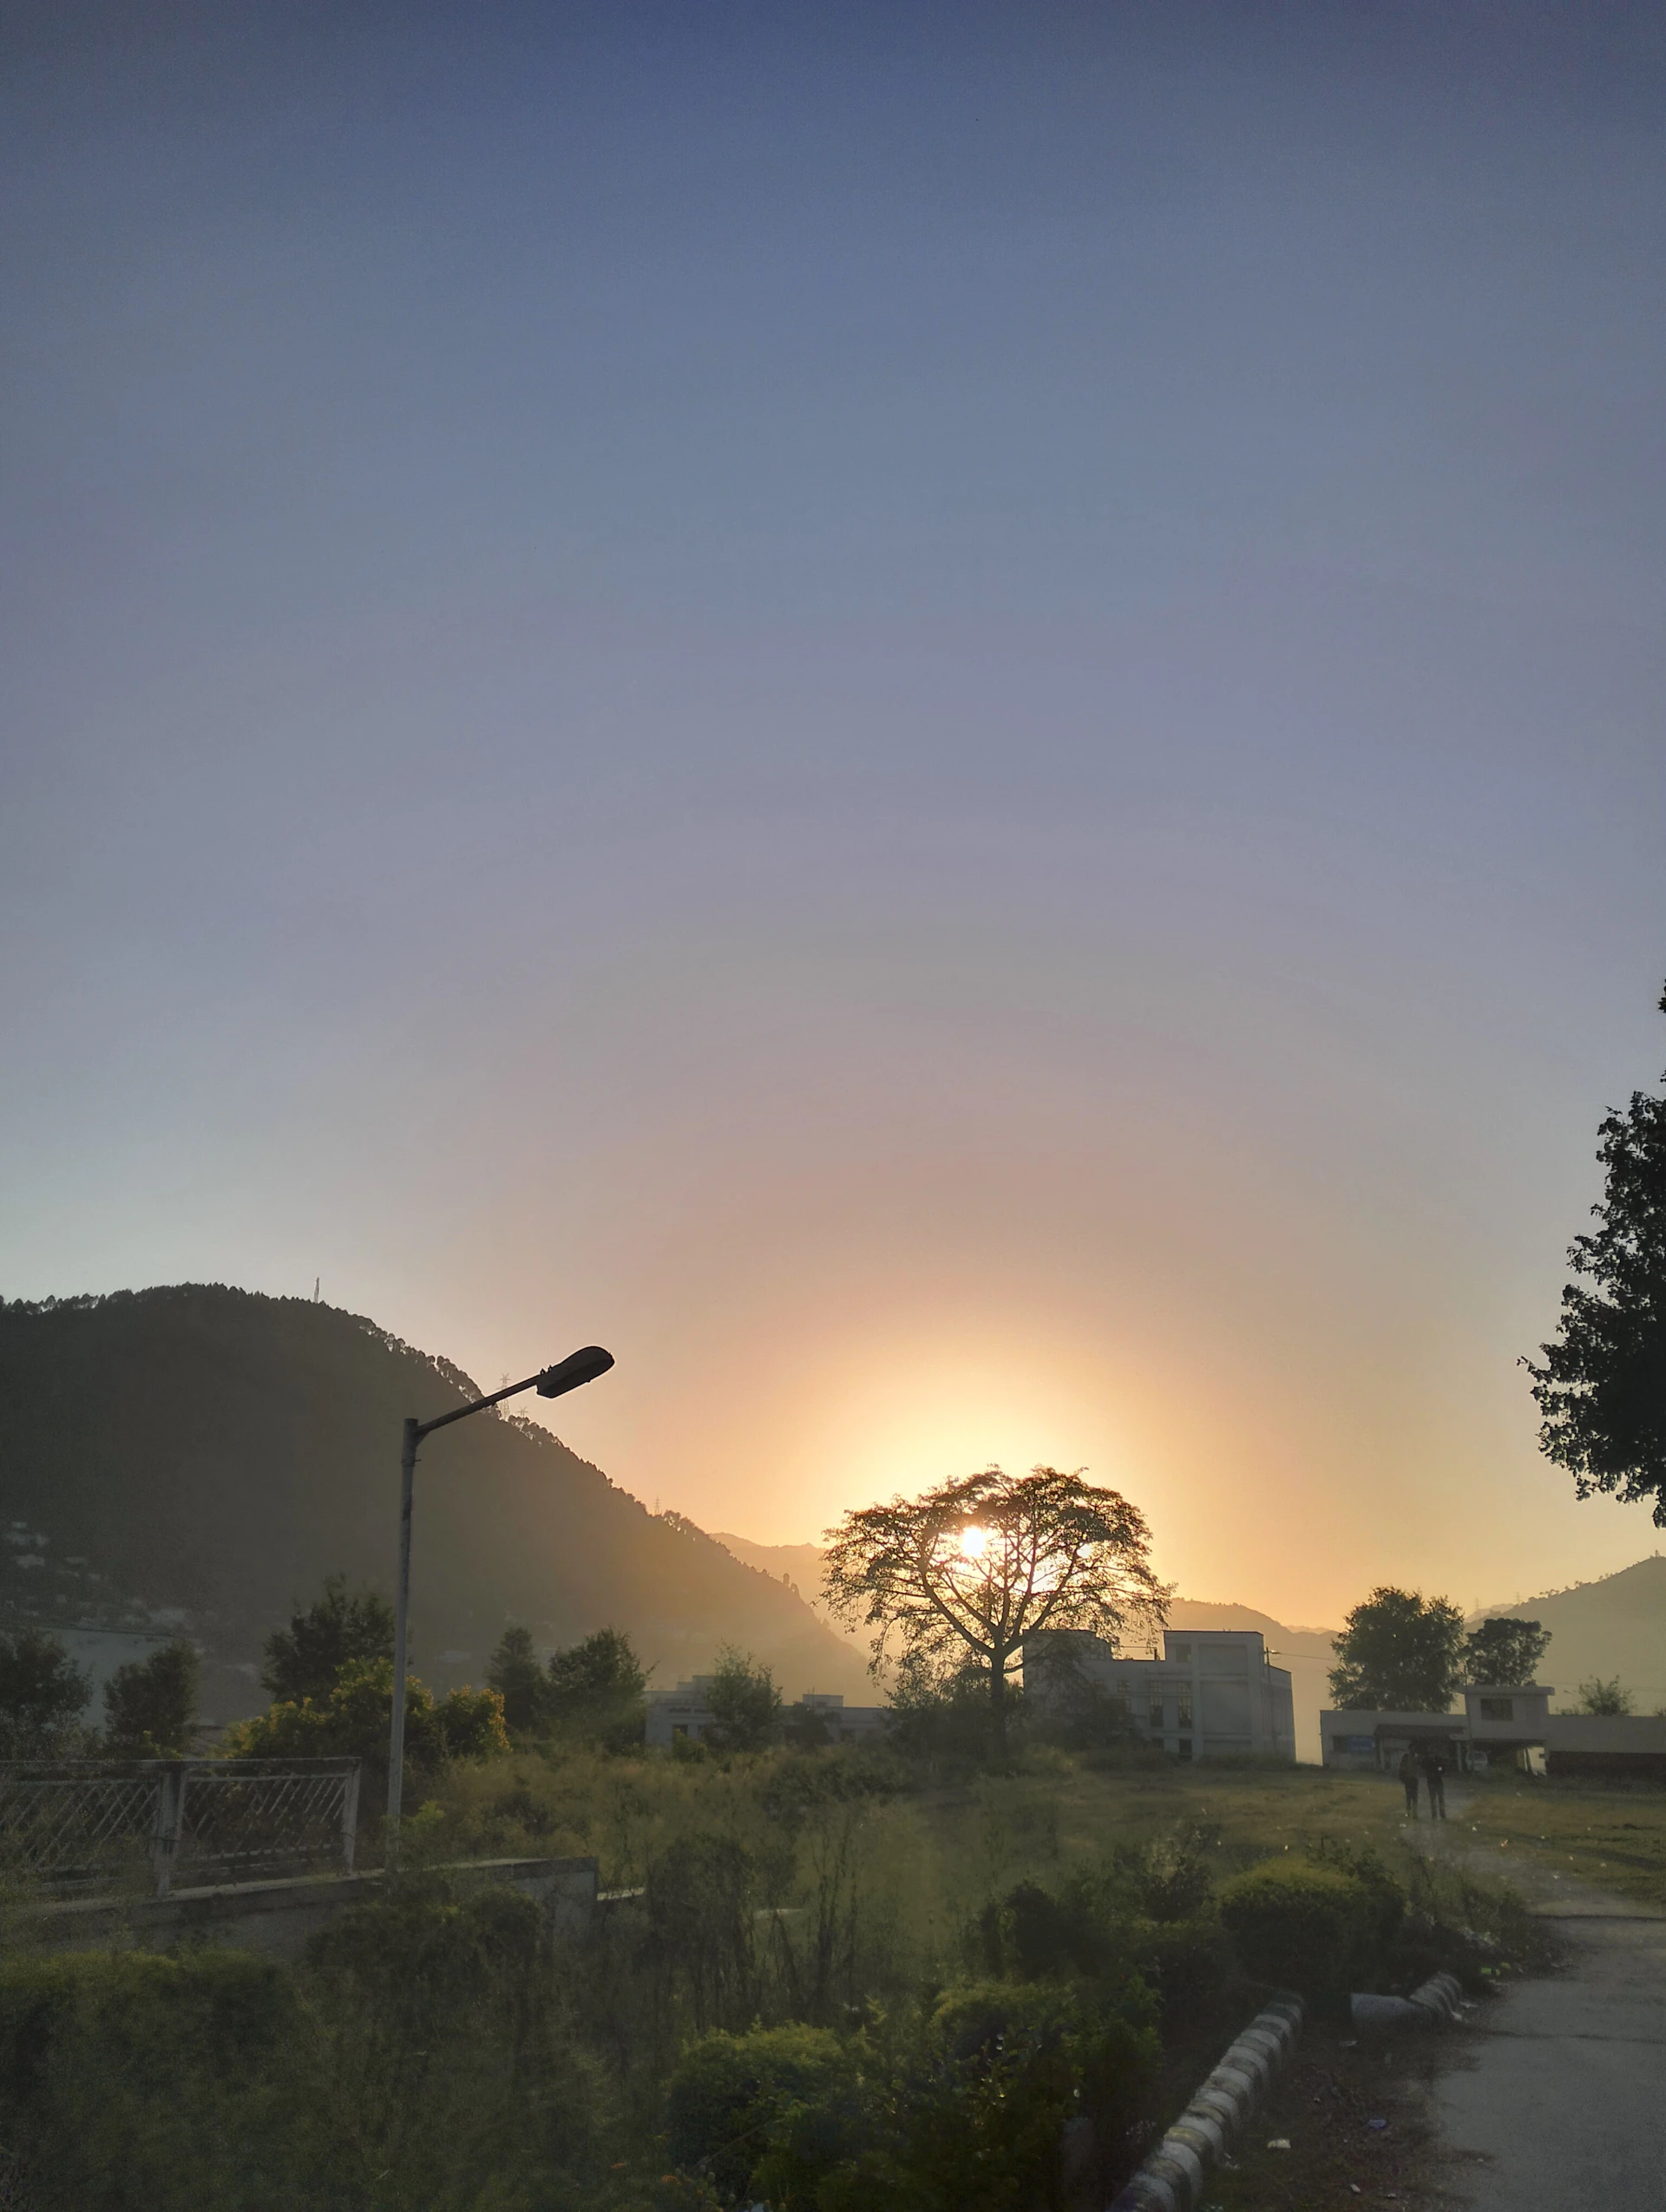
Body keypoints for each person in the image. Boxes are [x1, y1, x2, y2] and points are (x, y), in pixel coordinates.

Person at [1421, 1748, 1447, 1820]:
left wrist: (1438, 1771)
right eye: (1431, 1753)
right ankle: (1434, 1815)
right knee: (1433, 1799)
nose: (1432, 1755)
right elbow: (1423, 1766)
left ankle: (1442, 1814)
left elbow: (1443, 1768)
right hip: (1431, 1782)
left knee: (1440, 1798)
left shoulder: (1439, 1760)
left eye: (1433, 1753)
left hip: (1438, 1781)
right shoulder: (1427, 1761)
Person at [1397, 1745, 1420, 1817]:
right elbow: (1401, 1767)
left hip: (1415, 1779)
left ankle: (1415, 1813)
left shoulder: (1417, 1757)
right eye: (1412, 1749)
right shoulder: (1406, 1757)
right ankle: (1408, 1812)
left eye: (1414, 1749)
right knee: (1409, 1797)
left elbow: (1421, 1766)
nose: (1413, 1750)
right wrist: (1402, 1777)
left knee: (1415, 1797)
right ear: (1409, 1749)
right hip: (1408, 1779)